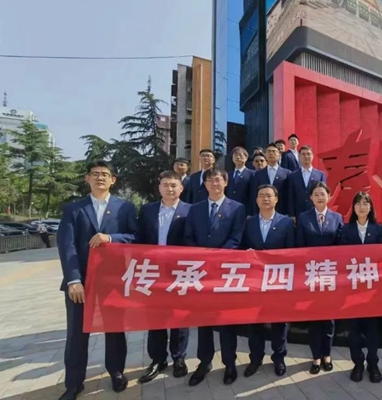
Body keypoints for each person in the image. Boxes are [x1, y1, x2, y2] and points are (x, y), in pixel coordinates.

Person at [56, 160, 137, 400]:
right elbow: (67, 246)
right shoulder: (74, 209)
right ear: (87, 179)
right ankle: (74, 383)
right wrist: (73, 280)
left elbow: (135, 237)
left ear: (113, 180)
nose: (100, 177)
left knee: (115, 329)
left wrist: (111, 238)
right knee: (77, 333)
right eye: (95, 174)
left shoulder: (125, 208)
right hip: (81, 283)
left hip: (113, 281)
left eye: (105, 174)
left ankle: (116, 372)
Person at [183, 168, 247, 387]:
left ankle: (229, 363)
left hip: (224, 272)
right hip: (201, 272)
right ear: (205, 184)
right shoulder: (195, 209)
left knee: (226, 321)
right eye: (209, 180)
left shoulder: (237, 208)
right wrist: (202, 257)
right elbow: (188, 237)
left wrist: (216, 258)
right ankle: (204, 362)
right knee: (204, 321)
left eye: (218, 180)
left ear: (226, 182)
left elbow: (236, 238)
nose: (214, 183)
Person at [136, 171, 191, 384]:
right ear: (159, 187)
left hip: (179, 271)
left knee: (180, 316)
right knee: (155, 316)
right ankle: (158, 360)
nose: (170, 189)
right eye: (165, 185)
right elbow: (139, 238)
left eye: (174, 185)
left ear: (181, 188)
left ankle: (179, 358)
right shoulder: (147, 210)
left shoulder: (190, 210)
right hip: (153, 271)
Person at [241, 184, 295, 378]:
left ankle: (279, 357)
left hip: (277, 279)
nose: (265, 199)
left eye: (269, 196)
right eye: (261, 196)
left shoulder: (286, 223)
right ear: (256, 200)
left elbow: (291, 251)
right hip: (254, 280)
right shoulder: (249, 222)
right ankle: (255, 358)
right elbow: (241, 247)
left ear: (276, 199)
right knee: (255, 321)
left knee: (279, 321)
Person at [295, 181, 343, 374]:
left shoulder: (337, 217)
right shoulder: (304, 217)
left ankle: (327, 355)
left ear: (329, 196)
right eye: (316, 194)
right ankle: (316, 357)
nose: (320, 197)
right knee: (314, 318)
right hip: (311, 274)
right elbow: (299, 246)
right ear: (311, 198)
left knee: (329, 319)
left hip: (330, 275)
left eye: (323, 193)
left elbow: (341, 246)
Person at [340, 192, 382, 383]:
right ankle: (357, 363)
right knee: (354, 330)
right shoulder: (346, 229)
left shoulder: (378, 229)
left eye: (365, 203)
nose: (362, 207)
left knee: (372, 329)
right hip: (352, 288)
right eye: (358, 203)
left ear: (371, 207)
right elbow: (341, 256)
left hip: (372, 288)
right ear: (353, 208)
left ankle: (373, 364)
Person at [225, 147, 255, 215]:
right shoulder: (228, 174)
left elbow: (253, 195)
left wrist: (250, 213)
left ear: (246, 158)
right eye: (235, 155)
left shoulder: (252, 174)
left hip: (245, 209)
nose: (238, 157)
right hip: (229, 210)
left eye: (240, 155)